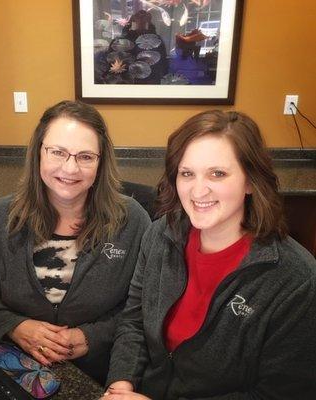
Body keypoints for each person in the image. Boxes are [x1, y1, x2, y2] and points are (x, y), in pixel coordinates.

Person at [103, 110, 316, 399]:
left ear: (251, 182)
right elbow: (134, 322)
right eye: (187, 173)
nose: (198, 191)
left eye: (218, 173)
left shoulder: (296, 279)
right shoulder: (159, 235)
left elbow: (281, 393)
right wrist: (121, 386)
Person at [0, 100, 151, 384]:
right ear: (38, 152)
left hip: (101, 371)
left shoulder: (132, 221)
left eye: (86, 156)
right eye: (58, 152)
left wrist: (92, 336)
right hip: (17, 364)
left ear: (101, 162)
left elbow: (143, 306)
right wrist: (15, 326)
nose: (70, 168)